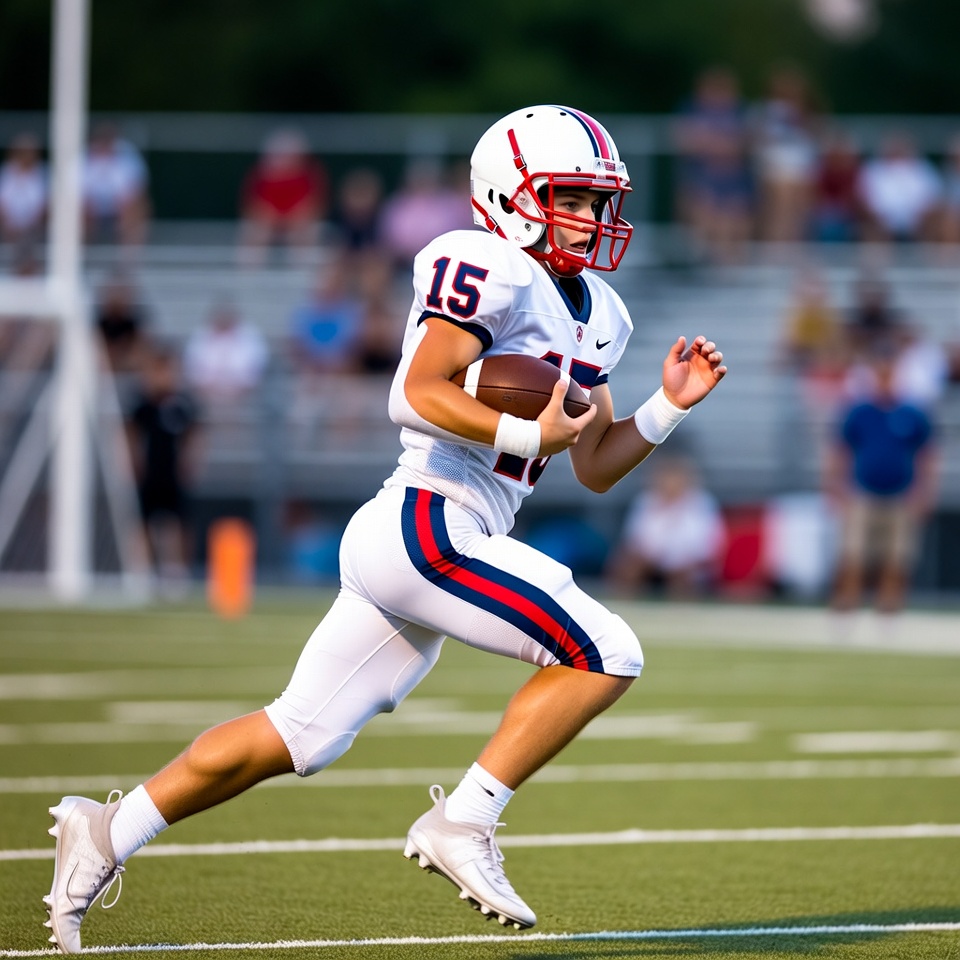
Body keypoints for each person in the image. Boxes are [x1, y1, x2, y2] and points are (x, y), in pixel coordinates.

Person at [41, 105, 727, 951]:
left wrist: (667, 406)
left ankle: (105, 832)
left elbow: (592, 463)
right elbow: (413, 391)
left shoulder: (602, 313)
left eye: (597, 202)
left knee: (299, 734)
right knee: (606, 651)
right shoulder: (487, 265)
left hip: (430, 534)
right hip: (430, 520)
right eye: (572, 199)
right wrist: (522, 433)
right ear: (511, 196)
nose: (591, 219)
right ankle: (465, 820)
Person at [824, 341, 938, 618]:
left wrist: (924, 492)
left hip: (900, 492)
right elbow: (841, 451)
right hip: (863, 490)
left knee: (897, 554)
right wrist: (836, 487)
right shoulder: (860, 411)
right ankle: (848, 601)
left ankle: (889, 605)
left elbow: (927, 455)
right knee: (853, 550)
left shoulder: (912, 412)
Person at [126, 343, 201, 596]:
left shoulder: (181, 403)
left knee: (178, 522)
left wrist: (191, 459)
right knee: (144, 522)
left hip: (173, 472)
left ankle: (176, 572)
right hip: (149, 472)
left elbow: (195, 433)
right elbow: (130, 433)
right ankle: (144, 572)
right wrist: (132, 460)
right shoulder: (143, 404)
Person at [605, 454, 726, 599]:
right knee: (627, 567)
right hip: (650, 563)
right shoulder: (645, 501)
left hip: (688, 566)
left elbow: (710, 548)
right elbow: (634, 541)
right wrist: (647, 559)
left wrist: (682, 563)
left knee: (684, 577)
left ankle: (682, 613)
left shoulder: (702, 503)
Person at [237, 128, 329, 267]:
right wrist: (270, 218)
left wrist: (295, 218)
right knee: (255, 231)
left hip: (298, 223)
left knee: (304, 230)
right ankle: (249, 274)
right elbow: (250, 205)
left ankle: (301, 271)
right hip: (269, 222)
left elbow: (316, 204)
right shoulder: (260, 175)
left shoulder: (310, 175)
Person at [82, 124, 150, 247]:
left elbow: (134, 191)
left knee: (138, 208)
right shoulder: (82, 159)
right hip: (89, 207)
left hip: (119, 206)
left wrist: (121, 205)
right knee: (75, 210)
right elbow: (74, 193)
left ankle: (127, 261)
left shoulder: (127, 157)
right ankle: (76, 256)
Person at [0, 132, 47, 255]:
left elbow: (43, 205)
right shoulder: (6, 172)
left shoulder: (42, 173)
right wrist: (8, 224)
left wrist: (31, 225)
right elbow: (2, 204)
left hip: (34, 227)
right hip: (8, 226)